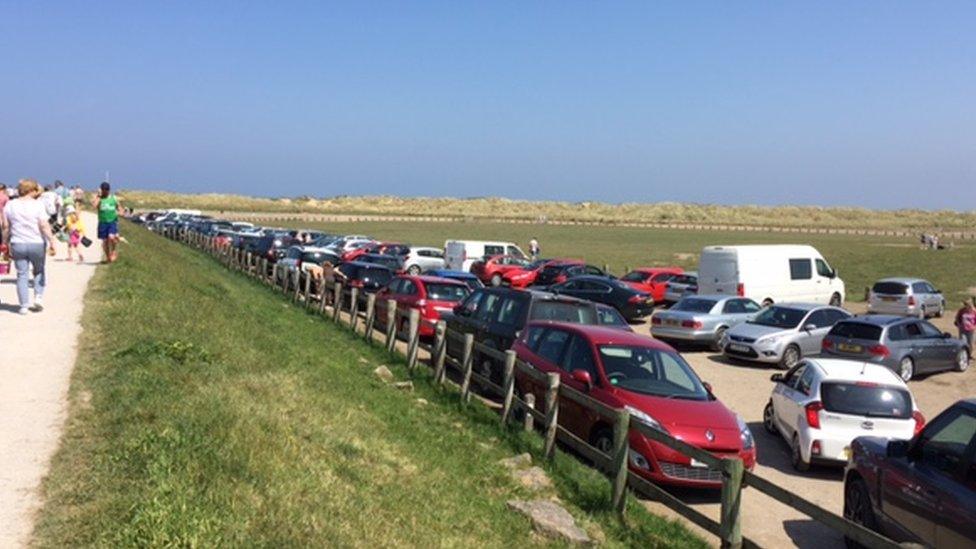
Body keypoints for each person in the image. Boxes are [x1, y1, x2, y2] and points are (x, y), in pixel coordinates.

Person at [2, 179, 57, 314]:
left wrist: (4, 243)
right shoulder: (38, 205)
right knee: (39, 270)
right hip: (37, 242)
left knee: (22, 274)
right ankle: (38, 296)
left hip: (18, 242)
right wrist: (51, 240)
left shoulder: (10, 205)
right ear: (31, 190)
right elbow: (44, 225)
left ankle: (23, 306)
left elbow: (5, 226)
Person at [92, 182, 122, 263]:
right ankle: (108, 257)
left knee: (111, 237)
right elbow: (94, 206)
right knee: (105, 241)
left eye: (107, 190)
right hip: (102, 222)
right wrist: (98, 196)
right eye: (104, 190)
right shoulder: (99, 199)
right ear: (101, 190)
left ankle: (114, 251)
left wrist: (119, 212)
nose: (106, 191)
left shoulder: (113, 198)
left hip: (112, 221)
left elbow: (119, 207)